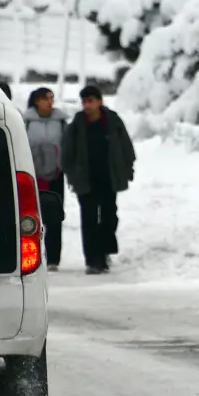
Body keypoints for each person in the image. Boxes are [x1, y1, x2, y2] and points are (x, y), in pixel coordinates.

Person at [62, 85, 137, 275]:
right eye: (84, 102)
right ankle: (93, 261)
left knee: (109, 217)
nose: (87, 105)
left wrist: (127, 169)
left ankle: (104, 252)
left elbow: (126, 147)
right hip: (85, 180)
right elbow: (67, 153)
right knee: (88, 219)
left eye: (91, 101)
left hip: (108, 178)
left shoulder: (112, 121)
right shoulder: (77, 125)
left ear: (99, 101)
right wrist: (72, 174)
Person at [23, 87, 69, 271]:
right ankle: (31, 256)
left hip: (55, 176)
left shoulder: (61, 122)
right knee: (32, 218)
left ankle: (53, 260)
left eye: (51, 98)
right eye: (45, 98)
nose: (49, 102)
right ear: (36, 101)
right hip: (33, 176)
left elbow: (67, 146)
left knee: (54, 218)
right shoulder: (26, 122)